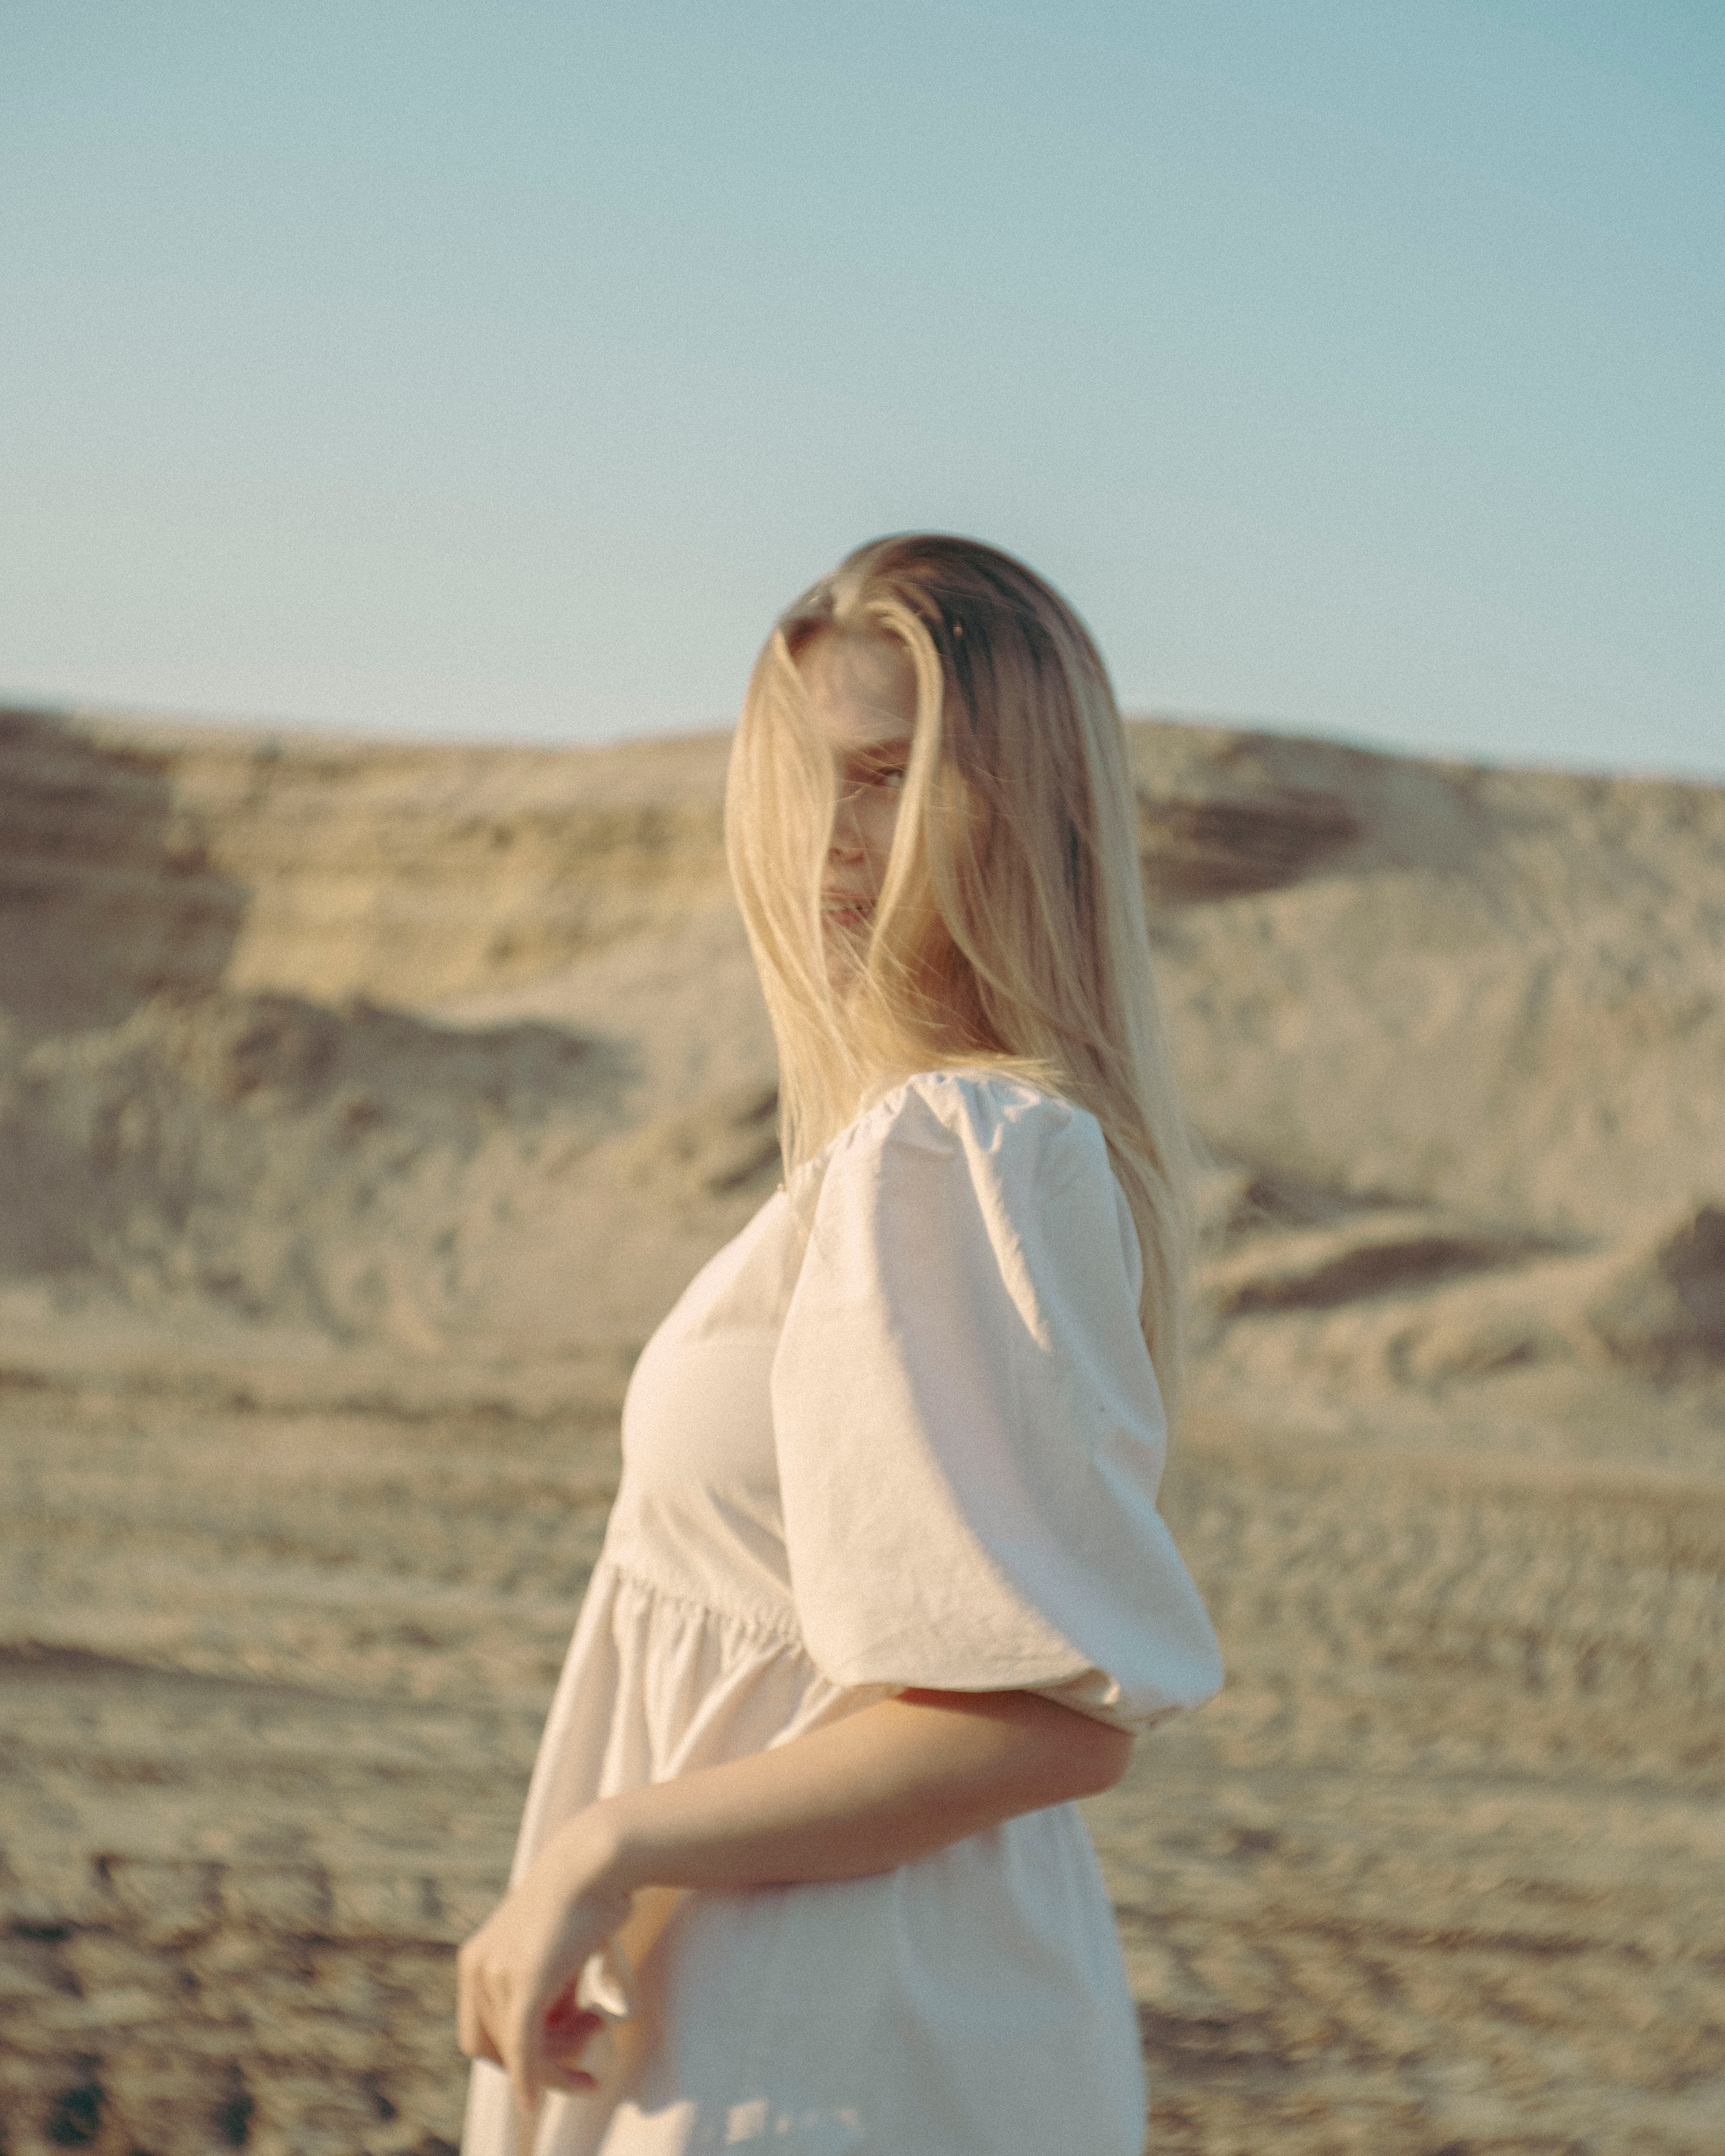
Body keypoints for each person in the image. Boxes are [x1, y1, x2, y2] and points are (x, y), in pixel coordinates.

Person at [458, 534, 1224, 2155]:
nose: (836, 839)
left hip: (819, 2034)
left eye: (894, 774)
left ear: (1031, 811)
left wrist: (601, 1847)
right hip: (801, 1999)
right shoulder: (922, 1145)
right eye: (810, 779)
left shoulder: (955, 1144)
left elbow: (1036, 1715)